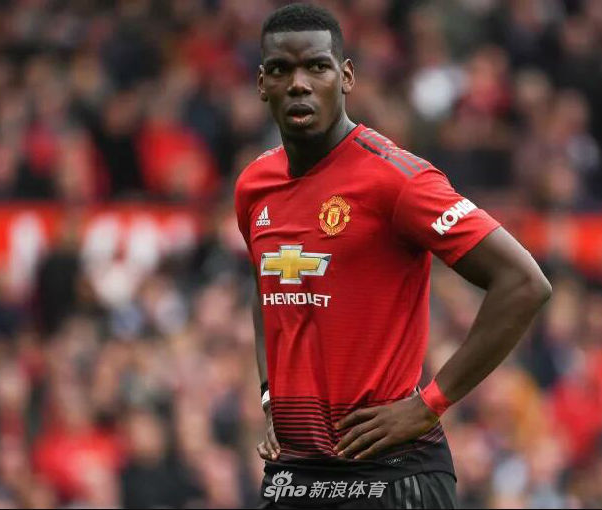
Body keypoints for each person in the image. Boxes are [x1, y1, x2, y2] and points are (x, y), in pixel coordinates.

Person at [234, 4, 551, 508]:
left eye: (316, 67)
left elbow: (524, 282)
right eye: (280, 69)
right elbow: (267, 285)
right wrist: (270, 392)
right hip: (295, 474)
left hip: (393, 474)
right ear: (261, 83)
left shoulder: (397, 179)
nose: (298, 84)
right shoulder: (254, 185)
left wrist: (430, 403)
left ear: (346, 76)